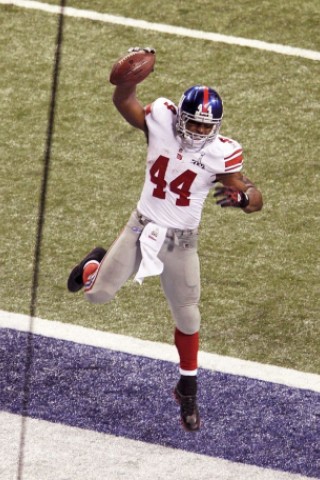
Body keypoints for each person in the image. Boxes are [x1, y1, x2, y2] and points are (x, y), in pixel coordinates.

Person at [67, 48, 263, 432]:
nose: (201, 133)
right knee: (96, 294)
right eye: (195, 124)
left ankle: (187, 388)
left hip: (180, 242)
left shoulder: (222, 154)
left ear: (218, 127)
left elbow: (254, 197)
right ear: (182, 118)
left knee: (188, 315)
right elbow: (125, 102)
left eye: (208, 127)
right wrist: (126, 81)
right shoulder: (160, 119)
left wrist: (244, 199)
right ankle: (95, 262)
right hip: (142, 226)